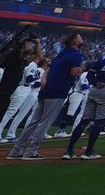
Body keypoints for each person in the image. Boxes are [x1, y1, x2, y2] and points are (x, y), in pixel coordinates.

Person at [9, 32, 85, 160]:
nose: (82, 39)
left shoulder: (61, 54)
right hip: (57, 91)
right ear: (75, 42)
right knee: (45, 122)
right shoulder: (75, 55)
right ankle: (31, 151)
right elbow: (73, 72)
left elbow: (48, 70)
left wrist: (45, 77)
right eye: (80, 38)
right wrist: (82, 68)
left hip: (46, 90)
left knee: (34, 121)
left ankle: (16, 149)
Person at [0, 45, 42, 143]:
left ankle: (10, 134)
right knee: (10, 111)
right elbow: (28, 79)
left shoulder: (30, 64)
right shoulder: (32, 64)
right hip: (22, 88)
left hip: (25, 89)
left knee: (15, 112)